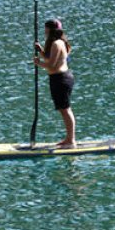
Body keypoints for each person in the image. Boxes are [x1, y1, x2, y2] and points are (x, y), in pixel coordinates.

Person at [33, 18, 76, 147]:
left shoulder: (57, 43)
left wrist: (38, 63)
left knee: (65, 109)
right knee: (63, 109)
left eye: (46, 29)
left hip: (60, 79)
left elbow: (51, 65)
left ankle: (71, 140)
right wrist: (41, 51)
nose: (45, 32)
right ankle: (69, 138)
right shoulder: (60, 42)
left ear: (51, 30)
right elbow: (52, 59)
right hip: (59, 78)